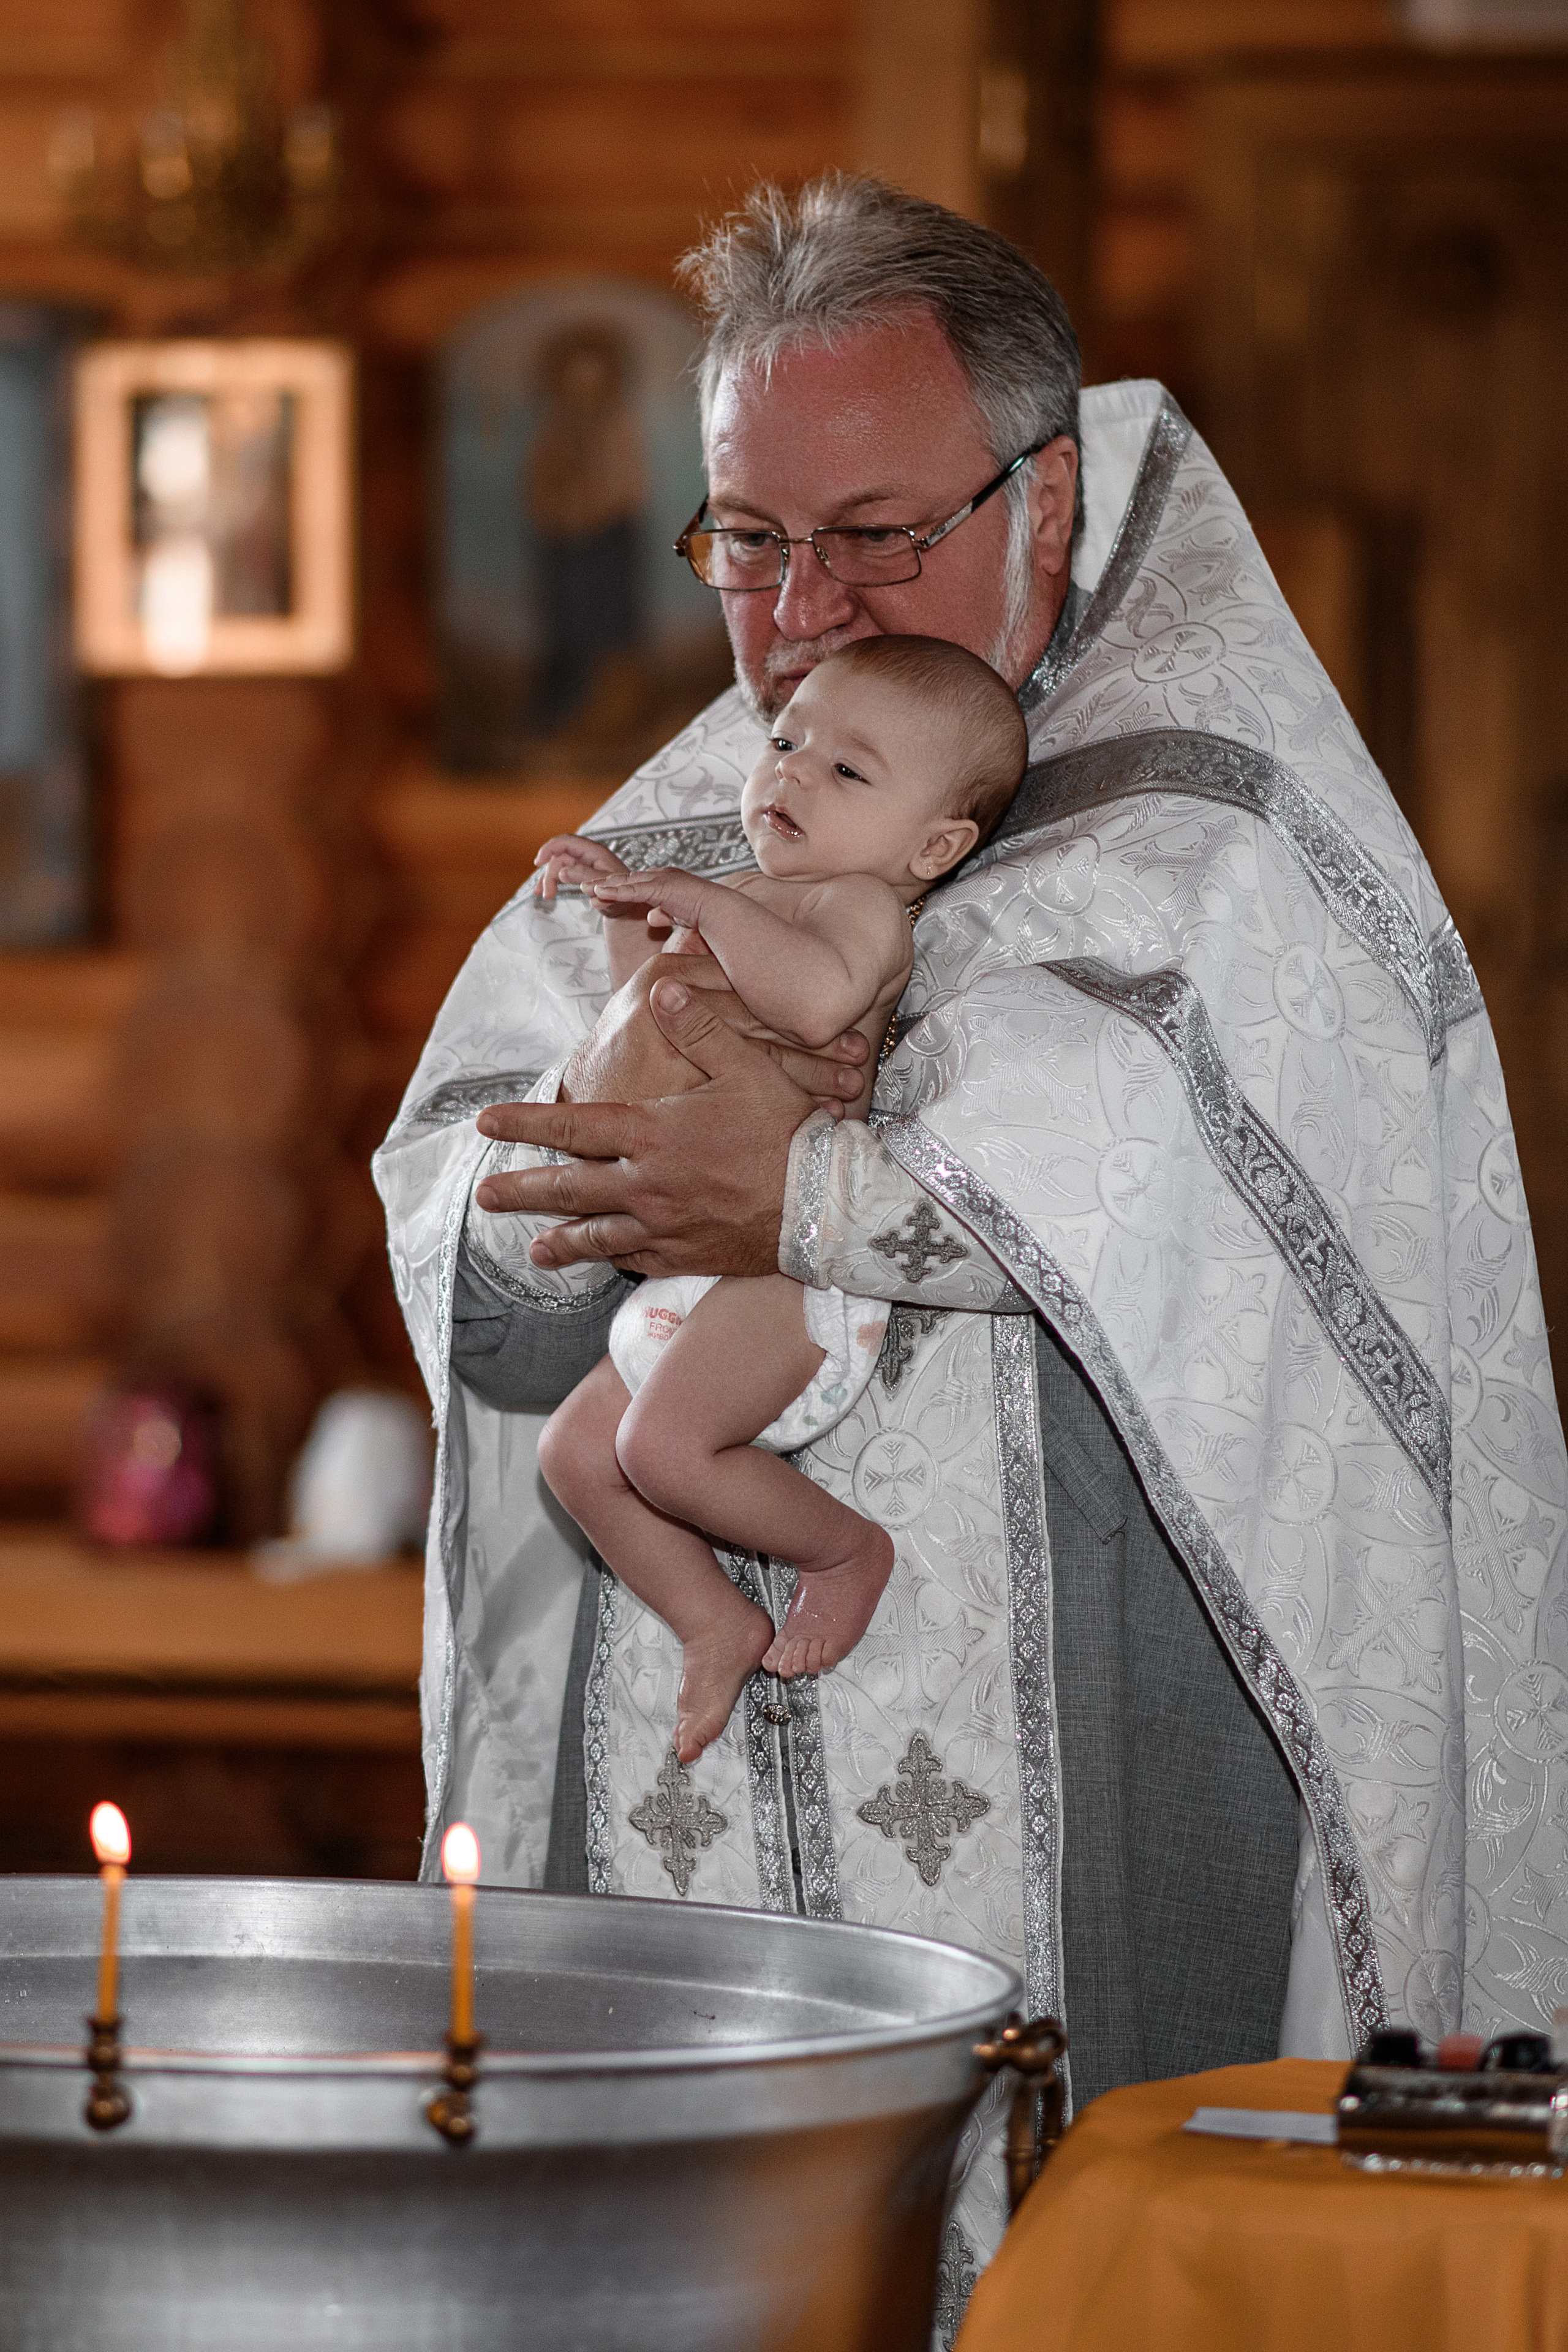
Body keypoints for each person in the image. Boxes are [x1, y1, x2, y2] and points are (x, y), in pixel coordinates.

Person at [375, 175, 1568, 2316]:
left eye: (874, 535)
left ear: (1051, 493)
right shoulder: (707, 811)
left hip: (1103, 1803)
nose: (807, 614)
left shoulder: (1229, 830)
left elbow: (1215, 1241)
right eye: (750, 538)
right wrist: (565, 1205)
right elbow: (467, 1214)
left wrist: (805, 1193)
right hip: (702, 1853)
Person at [530, 638, 1028, 1763]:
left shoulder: (862, 912)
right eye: (786, 742)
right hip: (698, 1269)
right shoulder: (752, 900)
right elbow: (643, 1025)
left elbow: (811, 1006)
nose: (792, 773)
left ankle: (844, 1552)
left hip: (786, 1273)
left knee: (662, 1451)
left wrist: (701, 904)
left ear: (934, 845)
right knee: (573, 1453)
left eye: (848, 772)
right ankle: (713, 1618)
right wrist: (624, 909)